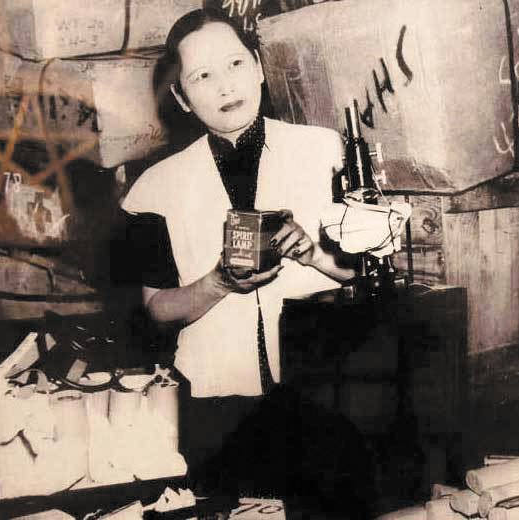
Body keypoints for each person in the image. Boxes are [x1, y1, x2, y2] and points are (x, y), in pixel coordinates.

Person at [120, 7, 359, 501]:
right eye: (202, 77)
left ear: (259, 67)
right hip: (219, 410)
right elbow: (156, 308)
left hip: (328, 392)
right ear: (182, 98)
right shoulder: (153, 188)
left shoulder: (327, 152)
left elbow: (367, 272)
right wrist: (217, 283)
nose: (225, 86)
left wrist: (314, 254)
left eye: (234, 64)